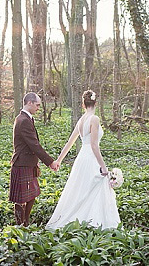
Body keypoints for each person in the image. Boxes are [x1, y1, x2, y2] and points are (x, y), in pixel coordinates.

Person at [46, 90, 120, 230]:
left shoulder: (81, 120)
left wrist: (59, 160)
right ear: (96, 103)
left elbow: (70, 142)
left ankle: (80, 221)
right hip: (91, 158)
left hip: (81, 158)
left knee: (81, 189)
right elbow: (93, 145)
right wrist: (103, 166)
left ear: (83, 105)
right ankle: (93, 222)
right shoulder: (95, 119)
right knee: (93, 188)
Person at [9, 92, 59, 226]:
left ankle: (26, 223)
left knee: (31, 195)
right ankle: (21, 225)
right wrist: (50, 162)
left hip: (28, 163)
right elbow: (34, 145)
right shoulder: (23, 120)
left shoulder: (26, 118)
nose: (38, 108)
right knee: (20, 199)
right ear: (29, 103)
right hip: (22, 164)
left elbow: (33, 145)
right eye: (37, 105)